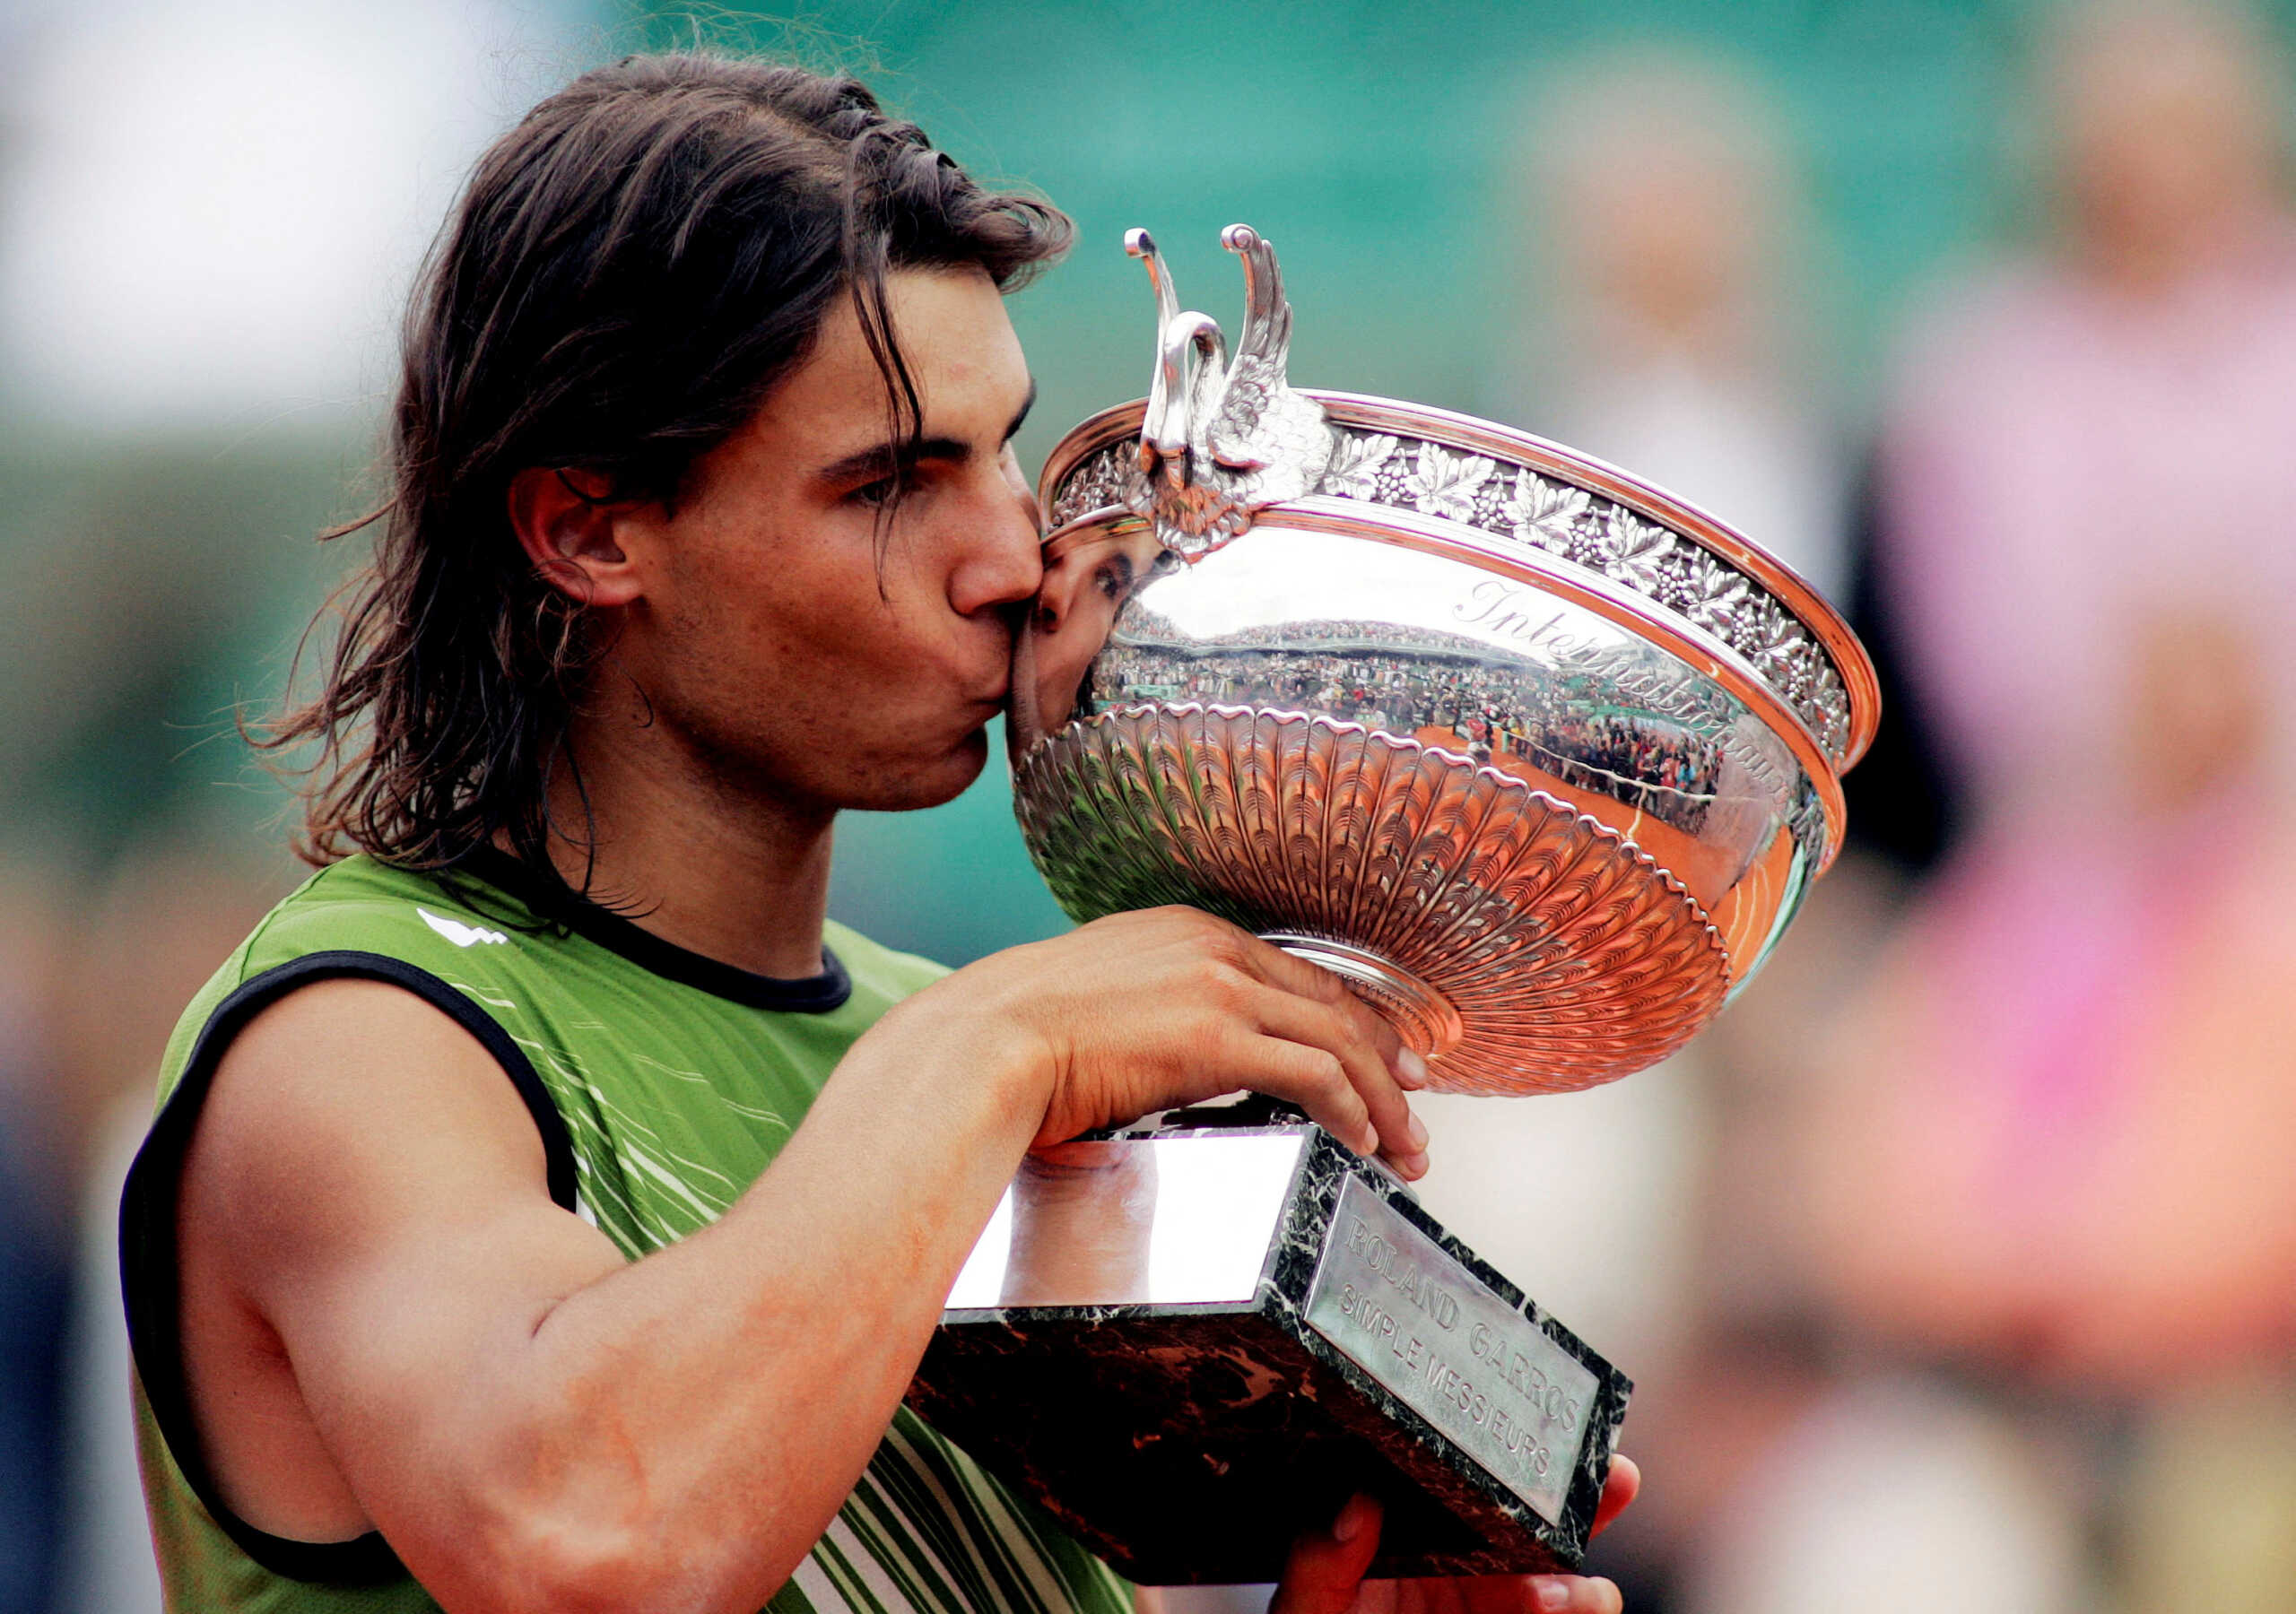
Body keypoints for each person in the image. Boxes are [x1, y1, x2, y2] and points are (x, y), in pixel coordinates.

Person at [116, 54, 1636, 1614]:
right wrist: (986, 1050)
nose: (1009, 554)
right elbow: (582, 1541)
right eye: (890, 483)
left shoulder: (968, 1051)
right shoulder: (358, 1032)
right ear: (587, 529)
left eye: (1001, 450)